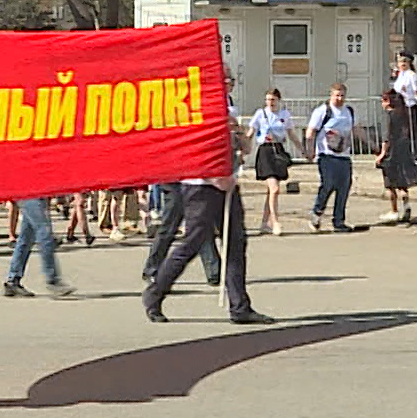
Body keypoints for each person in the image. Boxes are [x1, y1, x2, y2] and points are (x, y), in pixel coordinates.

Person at [143, 80, 271, 326]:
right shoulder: (197, 111)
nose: (228, 85)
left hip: (228, 186)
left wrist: (239, 133)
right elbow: (193, 152)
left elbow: (243, 148)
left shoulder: (228, 110)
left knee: (236, 242)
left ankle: (240, 306)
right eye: (225, 80)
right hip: (200, 187)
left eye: (231, 81)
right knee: (193, 242)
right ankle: (155, 293)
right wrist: (214, 177)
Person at [305, 83, 356, 232]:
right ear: (331, 95)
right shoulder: (323, 111)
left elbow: (356, 129)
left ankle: (339, 221)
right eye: (336, 95)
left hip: (344, 155)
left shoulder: (348, 111)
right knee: (328, 184)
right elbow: (311, 131)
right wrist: (310, 150)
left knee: (344, 187)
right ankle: (317, 213)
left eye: (342, 95)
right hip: (326, 155)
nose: (339, 98)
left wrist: (374, 146)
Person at [247, 88, 296, 236]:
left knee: (271, 191)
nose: (270, 103)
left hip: (278, 150)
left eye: (273, 100)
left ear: (278, 100)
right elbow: (250, 133)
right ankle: (275, 222)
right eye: (268, 100)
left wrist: (304, 150)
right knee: (274, 189)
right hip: (265, 152)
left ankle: (264, 223)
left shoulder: (284, 115)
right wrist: (242, 149)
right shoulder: (260, 114)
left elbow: (291, 134)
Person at [5, 197, 74, 299]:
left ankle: (13, 279)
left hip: (35, 194)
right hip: (28, 194)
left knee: (26, 237)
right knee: (44, 232)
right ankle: (52, 279)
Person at [375, 88, 417, 223]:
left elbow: (387, 137)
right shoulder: (402, 114)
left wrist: (382, 154)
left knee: (390, 183)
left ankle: (394, 210)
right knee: (402, 184)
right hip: (403, 150)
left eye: (383, 101)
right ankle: (406, 205)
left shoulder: (388, 116)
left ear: (388, 101)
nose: (382, 104)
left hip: (391, 152)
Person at [393, 52, 417, 162]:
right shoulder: (400, 75)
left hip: (410, 104)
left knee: (412, 130)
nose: (402, 64)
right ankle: (404, 153)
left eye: (405, 62)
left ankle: (415, 154)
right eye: (400, 62)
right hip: (400, 105)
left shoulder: (412, 75)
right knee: (402, 131)